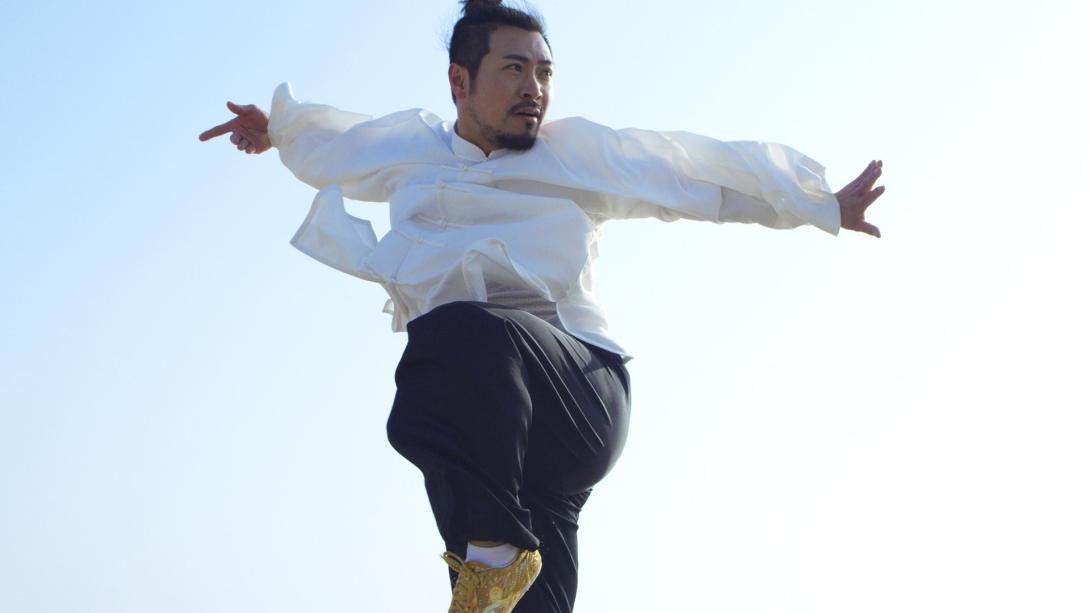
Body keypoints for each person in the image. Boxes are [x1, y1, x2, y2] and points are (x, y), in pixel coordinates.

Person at [198, 1, 886, 611]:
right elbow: (336, 148)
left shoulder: (574, 154)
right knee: (498, 548)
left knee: (448, 345)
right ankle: (493, 568)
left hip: (578, 390)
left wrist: (816, 202)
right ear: (458, 82)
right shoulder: (412, 151)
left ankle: (493, 554)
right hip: (500, 432)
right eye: (515, 70)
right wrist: (277, 128)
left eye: (545, 73)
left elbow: (692, 175)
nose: (535, 90)